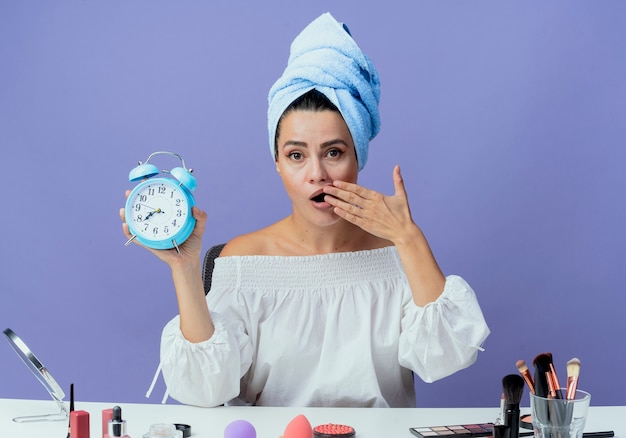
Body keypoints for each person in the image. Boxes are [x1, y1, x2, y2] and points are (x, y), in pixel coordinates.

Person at [121, 12, 489, 408]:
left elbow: (448, 357)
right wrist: (185, 267)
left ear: (358, 156)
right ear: (277, 161)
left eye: (334, 152)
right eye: (296, 155)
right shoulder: (239, 263)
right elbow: (204, 391)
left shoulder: (398, 258)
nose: (317, 174)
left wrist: (408, 237)